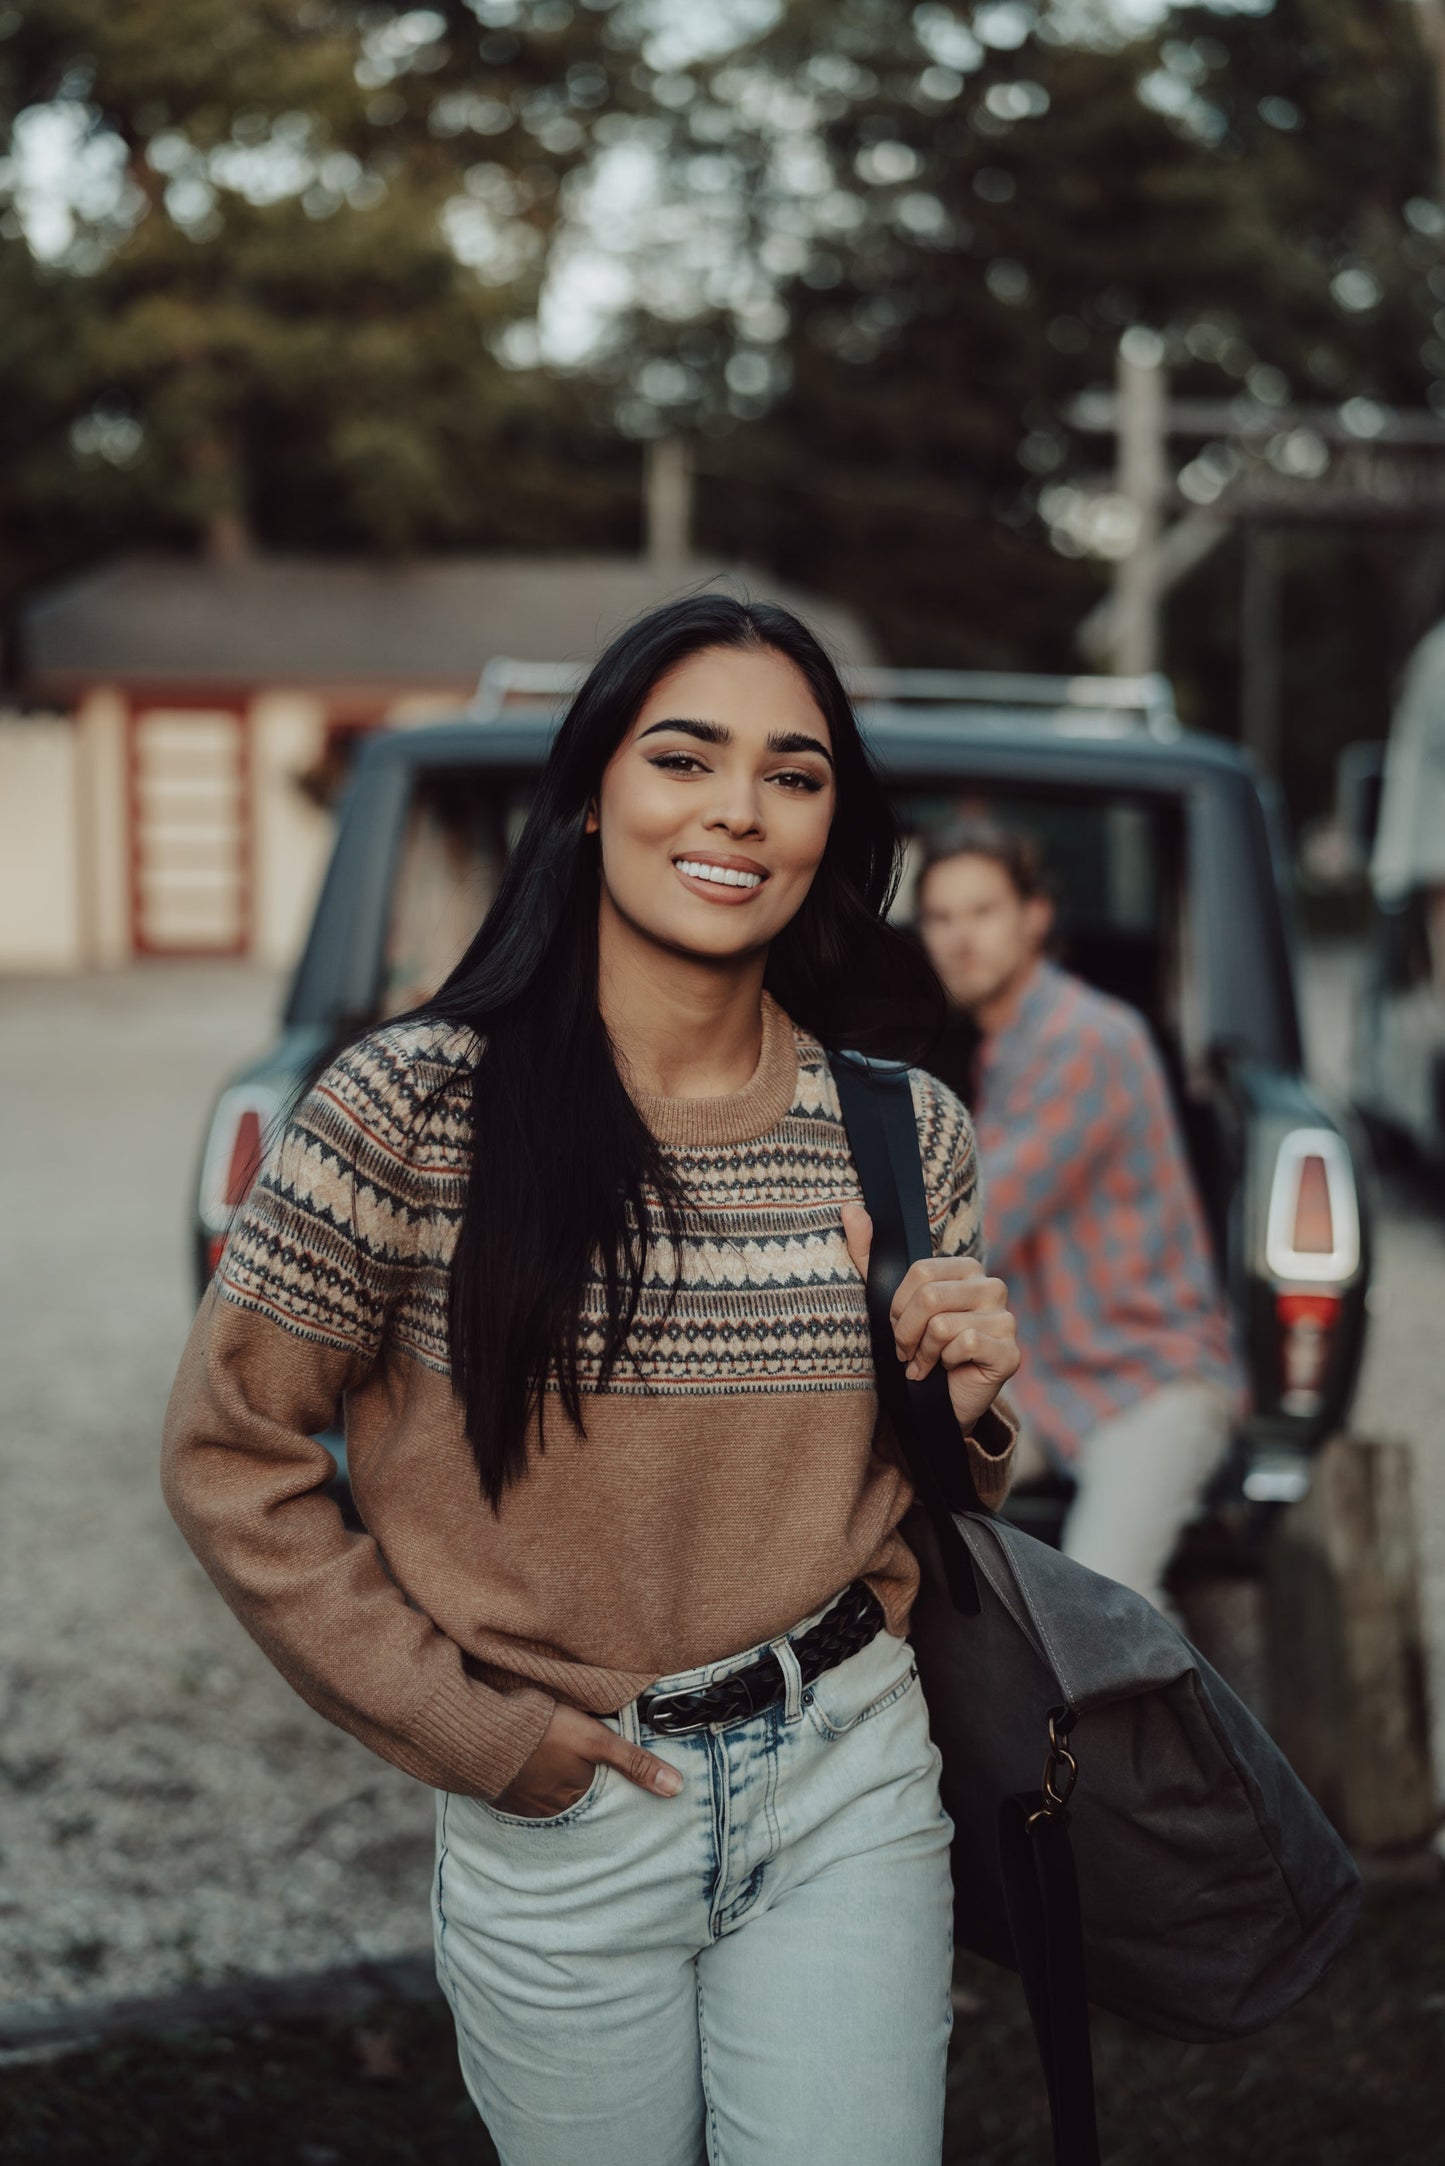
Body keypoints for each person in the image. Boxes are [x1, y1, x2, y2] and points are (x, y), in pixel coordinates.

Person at [161, 595, 1020, 2166]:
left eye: (794, 774)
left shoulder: (906, 1131)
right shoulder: (403, 1112)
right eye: (684, 757)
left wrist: (963, 1408)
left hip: (848, 1776)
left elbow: (922, 1484)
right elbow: (232, 1452)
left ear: (832, 829)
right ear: (587, 794)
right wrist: (475, 1729)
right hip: (567, 1810)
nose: (738, 810)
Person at [914, 817, 1243, 1625]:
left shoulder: (1082, 1040)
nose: (959, 938)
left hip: (1148, 1377)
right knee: (896, 1507)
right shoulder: (1007, 1047)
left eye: (981, 912)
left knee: (1107, 1609)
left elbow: (975, 1219)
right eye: (940, 917)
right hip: (1048, 1375)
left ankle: (1160, 1713)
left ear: (1034, 917)